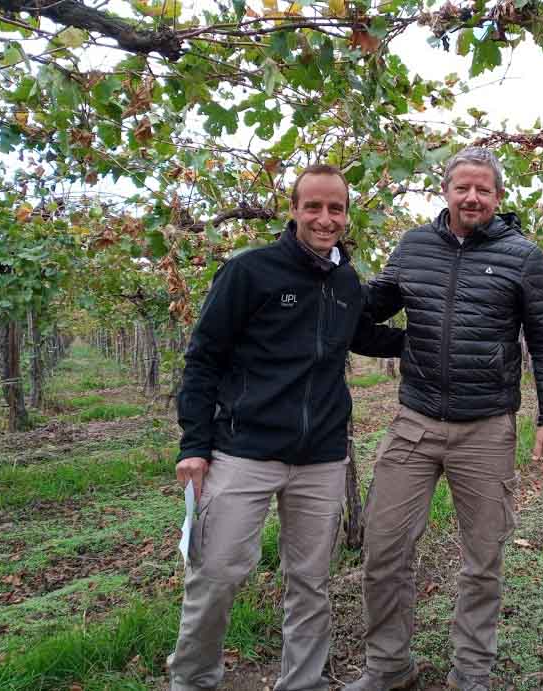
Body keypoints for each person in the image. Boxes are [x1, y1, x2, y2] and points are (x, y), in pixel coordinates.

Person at [168, 164, 403, 691]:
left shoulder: (345, 280)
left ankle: (303, 682)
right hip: (244, 450)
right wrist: (194, 445)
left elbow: (359, 335)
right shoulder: (250, 271)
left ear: (346, 214)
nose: (325, 218)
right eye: (313, 206)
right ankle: (194, 680)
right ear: (293, 209)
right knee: (217, 574)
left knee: (310, 581)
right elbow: (204, 359)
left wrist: (433, 339)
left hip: (321, 457)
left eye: (335, 208)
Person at [346, 147, 543, 691]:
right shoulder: (414, 246)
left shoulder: (522, 256)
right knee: (384, 547)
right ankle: (389, 667)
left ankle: (472, 670)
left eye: (484, 190)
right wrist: (402, 340)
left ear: (497, 196)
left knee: (483, 555)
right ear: (445, 191)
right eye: (462, 188)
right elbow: (364, 312)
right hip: (414, 421)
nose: (472, 197)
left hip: (486, 429)